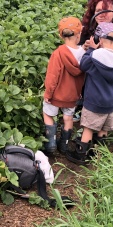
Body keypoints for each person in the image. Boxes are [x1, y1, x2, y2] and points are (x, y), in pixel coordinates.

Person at [66, 22, 113, 164]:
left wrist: (90, 50)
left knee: (89, 128)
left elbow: (83, 65)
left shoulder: (95, 56)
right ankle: (98, 152)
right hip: (111, 102)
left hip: (94, 101)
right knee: (103, 128)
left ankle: (80, 154)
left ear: (100, 40)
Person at [42, 17, 86, 155]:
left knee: (48, 115)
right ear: (79, 33)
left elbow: (52, 77)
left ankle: (50, 145)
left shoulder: (58, 53)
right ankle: (64, 146)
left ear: (61, 35)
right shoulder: (85, 54)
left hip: (56, 94)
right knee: (68, 118)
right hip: (72, 95)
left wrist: (48, 94)